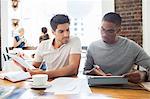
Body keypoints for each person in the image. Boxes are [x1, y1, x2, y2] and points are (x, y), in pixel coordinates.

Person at [83, 12, 150, 83]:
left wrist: (144, 76)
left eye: (110, 31)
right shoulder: (92, 47)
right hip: (98, 89)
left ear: (118, 31)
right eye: (102, 29)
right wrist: (91, 73)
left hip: (125, 89)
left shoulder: (131, 47)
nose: (104, 34)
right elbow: (84, 73)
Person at [27, 14, 81, 78]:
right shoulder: (43, 45)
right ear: (53, 32)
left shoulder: (75, 41)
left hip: (70, 83)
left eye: (67, 30)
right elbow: (34, 67)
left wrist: (45, 74)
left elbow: (73, 69)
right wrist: (24, 67)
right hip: (50, 82)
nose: (66, 35)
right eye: (61, 31)